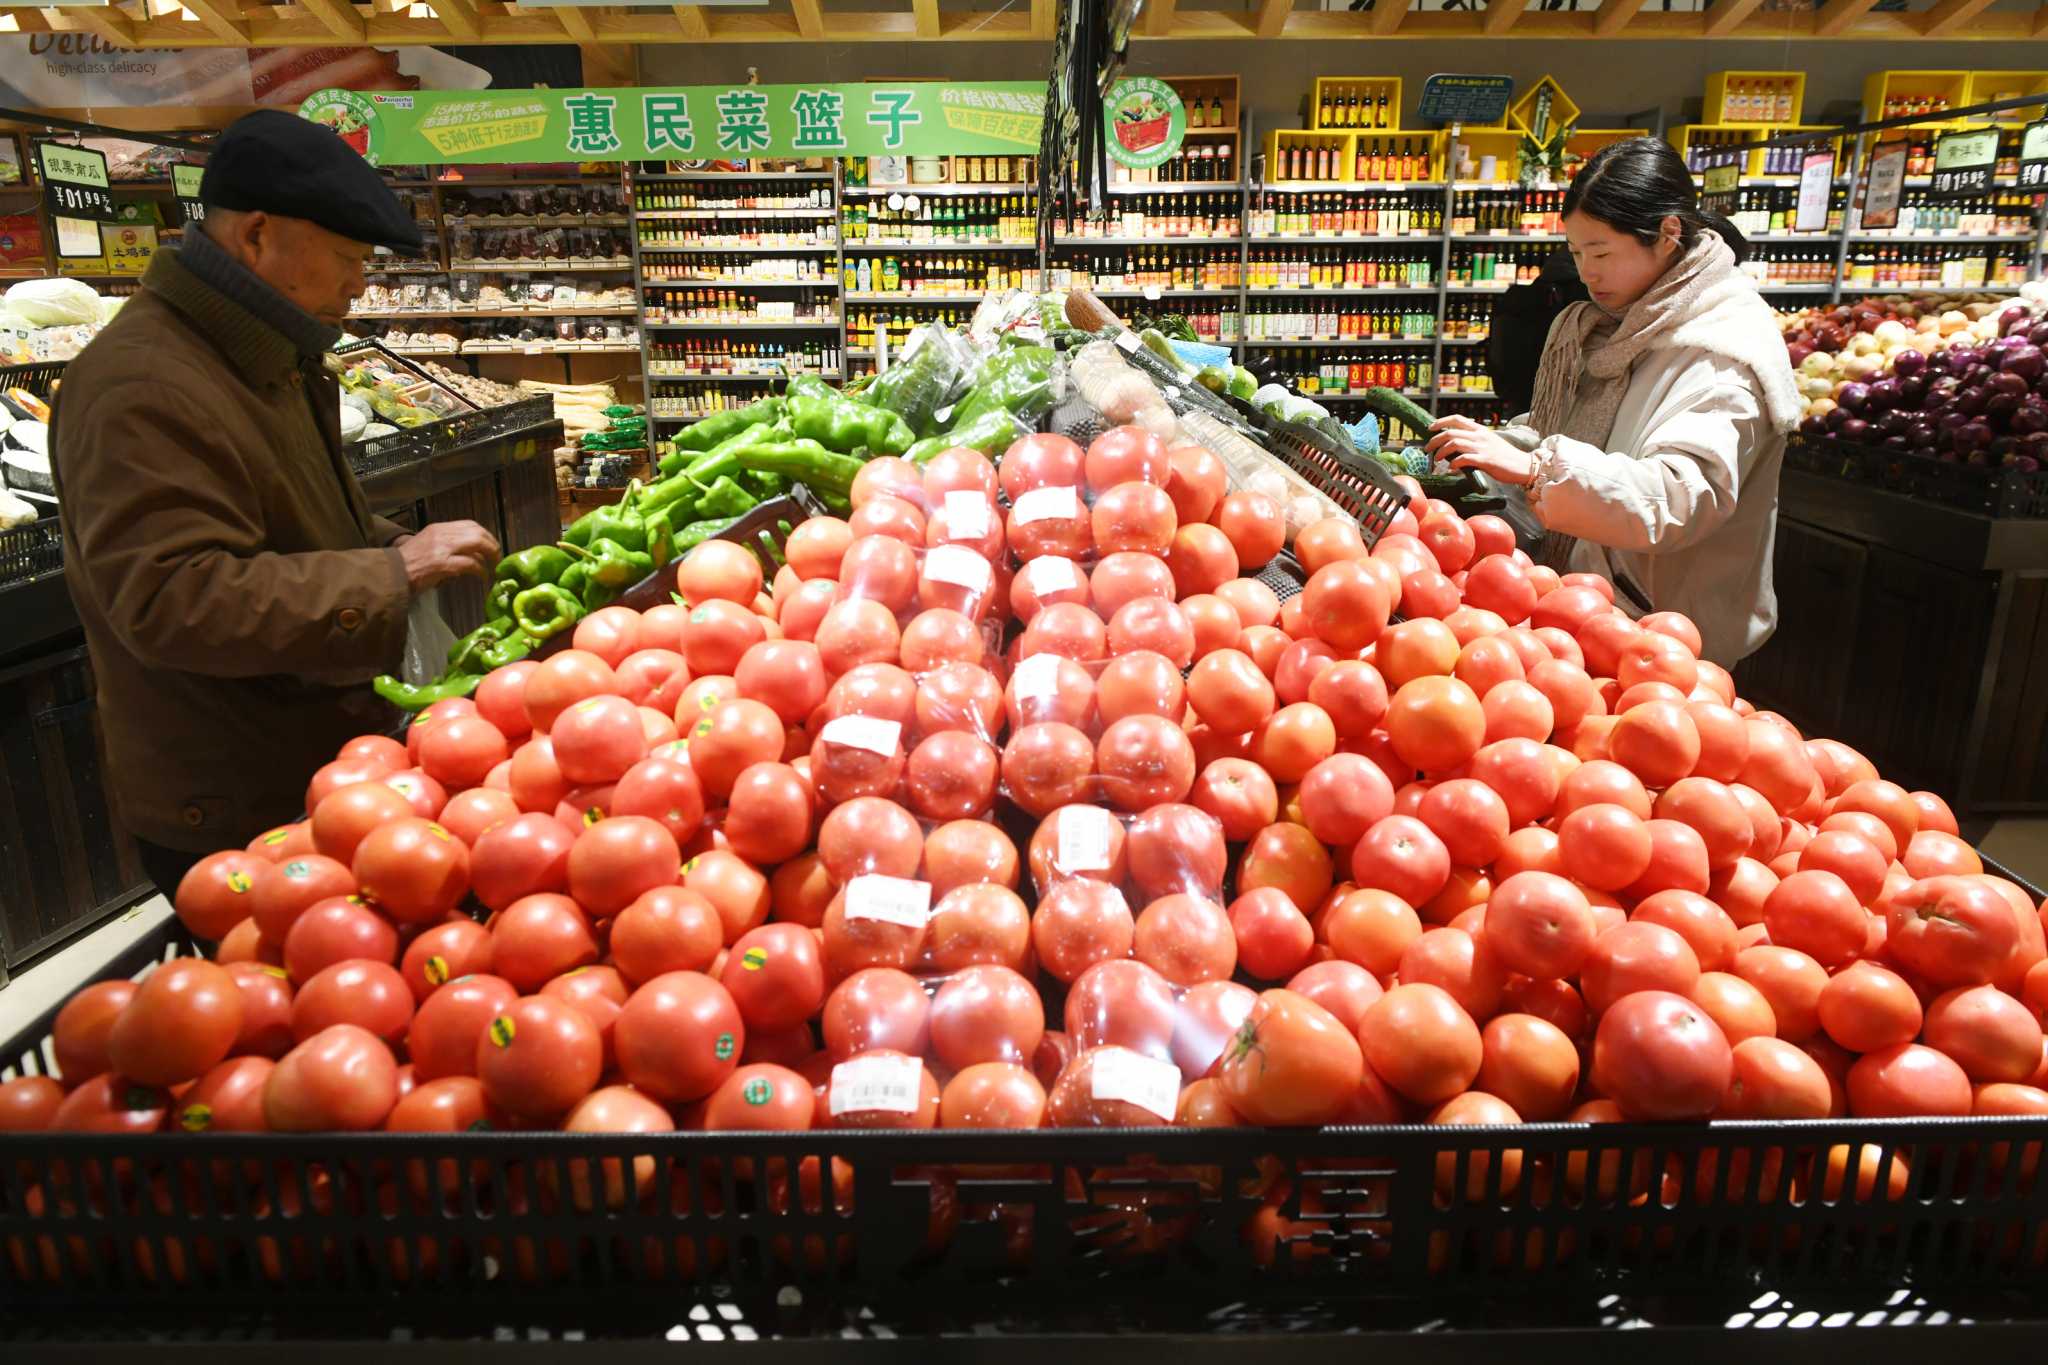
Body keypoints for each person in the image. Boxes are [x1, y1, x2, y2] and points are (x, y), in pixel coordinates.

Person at [53, 109, 501, 893]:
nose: (360, 284)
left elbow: (291, 519)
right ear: (256, 235)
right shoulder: (144, 386)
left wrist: (391, 544)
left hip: (310, 762)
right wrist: (392, 577)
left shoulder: (262, 353)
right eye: (347, 257)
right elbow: (172, 598)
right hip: (237, 801)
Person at [1425, 136, 1800, 666]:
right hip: (1597, 612)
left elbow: (1680, 499)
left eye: (1600, 253)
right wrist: (1498, 446)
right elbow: (1592, 431)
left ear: (1668, 234)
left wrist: (1536, 467)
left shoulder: (1722, 354)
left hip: (1667, 638)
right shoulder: (1632, 323)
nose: (1585, 274)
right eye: (1576, 253)